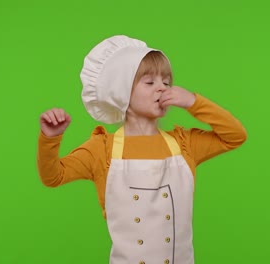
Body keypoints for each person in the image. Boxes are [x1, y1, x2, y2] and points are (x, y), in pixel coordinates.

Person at [37, 35, 247, 264]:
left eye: (166, 82)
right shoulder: (102, 149)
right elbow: (53, 176)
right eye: (149, 82)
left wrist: (194, 102)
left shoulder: (184, 144)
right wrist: (51, 137)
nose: (162, 88)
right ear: (121, 92)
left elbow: (235, 136)